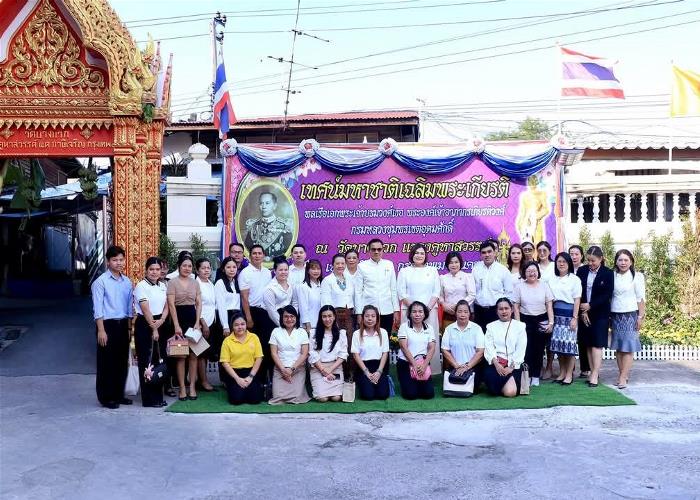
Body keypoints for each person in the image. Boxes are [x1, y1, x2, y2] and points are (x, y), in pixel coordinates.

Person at [91, 245, 133, 409]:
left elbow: (129, 308)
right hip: (106, 325)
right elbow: (98, 308)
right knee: (106, 362)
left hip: (122, 325)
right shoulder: (100, 282)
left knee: (121, 361)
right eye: (115, 260)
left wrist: (129, 329)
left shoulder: (127, 282)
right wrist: (101, 330)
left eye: (121, 259)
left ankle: (118, 394)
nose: (119, 263)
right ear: (108, 262)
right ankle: (106, 397)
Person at [397, 244, 441, 372]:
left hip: (429, 311)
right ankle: (410, 368)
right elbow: (401, 292)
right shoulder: (404, 271)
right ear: (412, 255)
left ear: (425, 256)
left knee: (429, 340)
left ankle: (430, 370)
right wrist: (415, 310)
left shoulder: (432, 270)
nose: (419, 256)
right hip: (409, 312)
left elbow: (436, 292)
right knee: (410, 340)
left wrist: (426, 310)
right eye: (416, 253)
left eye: (422, 253)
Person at [133, 257, 169, 407]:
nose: (154, 272)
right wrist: (154, 328)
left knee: (159, 360)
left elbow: (167, 305)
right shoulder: (141, 286)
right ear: (146, 270)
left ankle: (158, 396)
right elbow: (145, 309)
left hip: (160, 322)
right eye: (151, 269)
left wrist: (162, 320)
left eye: (157, 269)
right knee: (146, 361)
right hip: (146, 324)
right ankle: (148, 399)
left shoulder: (163, 285)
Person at [166, 254, 202, 401]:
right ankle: (182, 388)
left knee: (194, 355)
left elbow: (199, 303)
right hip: (178, 321)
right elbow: (171, 305)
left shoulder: (195, 282)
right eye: (184, 266)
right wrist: (176, 325)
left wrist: (197, 322)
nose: (187, 268)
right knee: (181, 356)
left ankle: (192, 387)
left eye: (189, 266)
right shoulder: (172, 282)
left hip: (193, 320)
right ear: (179, 267)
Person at [577, 246, 614, 388]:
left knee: (597, 344)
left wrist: (590, 305)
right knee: (588, 343)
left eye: (593, 260)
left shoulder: (608, 273)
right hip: (584, 312)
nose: (590, 263)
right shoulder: (582, 271)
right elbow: (578, 291)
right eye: (588, 260)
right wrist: (583, 310)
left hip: (600, 314)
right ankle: (592, 371)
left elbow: (607, 294)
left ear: (601, 259)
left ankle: (595, 374)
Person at [513, 262, 554, 387]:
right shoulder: (519, 287)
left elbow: (549, 305)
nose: (532, 273)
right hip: (525, 319)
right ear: (524, 273)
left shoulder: (544, 285)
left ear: (538, 272)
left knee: (539, 349)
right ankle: (528, 375)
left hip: (541, 319)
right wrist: (518, 325)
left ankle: (536, 376)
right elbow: (516, 307)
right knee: (527, 349)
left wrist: (551, 322)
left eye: (534, 270)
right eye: (529, 271)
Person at [610, 249, 646, 389]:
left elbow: (640, 298)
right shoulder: (612, 275)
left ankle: (623, 377)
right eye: (620, 260)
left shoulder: (637, 276)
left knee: (628, 347)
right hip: (615, 315)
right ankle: (622, 375)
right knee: (619, 347)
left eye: (626, 260)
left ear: (631, 262)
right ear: (616, 262)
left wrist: (640, 317)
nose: (623, 263)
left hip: (631, 315)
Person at [238, 244, 273, 381]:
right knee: (254, 348)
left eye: (260, 253)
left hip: (266, 312)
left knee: (266, 346)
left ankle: (266, 380)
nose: (257, 256)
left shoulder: (267, 272)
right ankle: (254, 379)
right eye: (254, 253)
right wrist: (248, 318)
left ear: (264, 256)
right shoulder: (245, 273)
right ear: (249, 256)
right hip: (252, 313)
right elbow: (244, 297)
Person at [548, 252, 582, 385]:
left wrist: (575, 317)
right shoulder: (552, 279)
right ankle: (562, 372)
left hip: (569, 315)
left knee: (569, 345)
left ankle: (569, 374)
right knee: (559, 345)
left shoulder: (574, 279)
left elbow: (577, 299)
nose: (561, 264)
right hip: (556, 315)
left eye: (564, 262)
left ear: (569, 264)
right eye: (559, 261)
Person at [354, 238, 400, 335]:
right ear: (369, 250)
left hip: (387, 309)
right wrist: (359, 313)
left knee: (385, 337)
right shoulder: (362, 266)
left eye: (379, 249)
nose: (376, 252)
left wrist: (396, 310)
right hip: (369, 311)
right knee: (368, 338)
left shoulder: (389, 264)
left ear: (383, 250)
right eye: (373, 249)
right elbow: (358, 291)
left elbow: (393, 289)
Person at [483, 298, 527, 397]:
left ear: (512, 310)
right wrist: (496, 364)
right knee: (495, 386)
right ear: (497, 311)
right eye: (501, 309)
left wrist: (511, 367)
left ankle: (506, 385)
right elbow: (489, 347)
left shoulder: (520, 326)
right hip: (495, 364)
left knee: (510, 392)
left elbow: (521, 349)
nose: (504, 311)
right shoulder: (490, 326)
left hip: (514, 365)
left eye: (506, 308)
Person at [268, 305, 311, 405]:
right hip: (280, 369)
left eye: (292, 316)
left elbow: (304, 354)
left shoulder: (302, 332)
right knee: (278, 397)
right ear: (282, 318)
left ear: (296, 317)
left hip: (297, 369)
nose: (289, 319)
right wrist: (283, 370)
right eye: (286, 316)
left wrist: (292, 369)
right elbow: (274, 353)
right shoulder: (276, 331)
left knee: (296, 397)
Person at [321, 253, 355, 376]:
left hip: (349, 315)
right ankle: (336, 373)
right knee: (337, 344)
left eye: (342, 263)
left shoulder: (349, 279)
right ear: (332, 265)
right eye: (337, 263)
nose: (340, 266)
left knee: (349, 344)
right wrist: (330, 319)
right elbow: (326, 302)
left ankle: (349, 374)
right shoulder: (327, 280)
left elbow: (354, 298)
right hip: (334, 316)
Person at [441, 300, 485, 393]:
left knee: (473, 389)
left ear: (469, 313)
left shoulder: (477, 329)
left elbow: (480, 351)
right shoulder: (449, 329)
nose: (462, 314)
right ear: (455, 313)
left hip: (472, 366)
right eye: (460, 311)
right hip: (455, 366)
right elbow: (445, 350)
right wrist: (456, 366)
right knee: (454, 388)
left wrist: (467, 367)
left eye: (465, 312)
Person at [219, 313, 263, 405]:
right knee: (236, 400)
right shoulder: (227, 341)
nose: (240, 327)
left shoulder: (254, 337)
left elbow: (259, 358)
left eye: (242, 324)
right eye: (236, 325)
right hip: (234, 373)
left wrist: (250, 377)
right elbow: (225, 362)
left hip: (251, 371)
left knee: (255, 400)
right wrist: (237, 379)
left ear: (246, 325)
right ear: (232, 326)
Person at [396, 301, 436, 400]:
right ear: (409, 314)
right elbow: (403, 347)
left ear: (425, 314)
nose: (417, 314)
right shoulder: (404, 327)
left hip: (423, 363)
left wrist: (424, 365)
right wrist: (414, 364)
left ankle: (418, 384)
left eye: (420, 311)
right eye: (414, 312)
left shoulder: (429, 328)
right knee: (411, 395)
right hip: (406, 363)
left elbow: (432, 348)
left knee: (428, 394)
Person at [308, 306, 348, 402]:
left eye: (330, 316)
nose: (327, 319)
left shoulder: (341, 333)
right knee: (322, 398)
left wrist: (330, 369)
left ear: (334, 317)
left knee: (336, 397)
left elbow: (343, 354)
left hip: (335, 367)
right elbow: (312, 354)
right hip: (318, 368)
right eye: (324, 316)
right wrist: (323, 370)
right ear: (320, 318)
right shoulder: (313, 333)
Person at [472, 240, 513, 331]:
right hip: (479, 311)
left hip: (496, 311)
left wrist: (505, 312)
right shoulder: (476, 269)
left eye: (489, 251)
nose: (487, 255)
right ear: (480, 255)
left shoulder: (503, 270)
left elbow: (509, 293)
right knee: (480, 338)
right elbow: (472, 291)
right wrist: (472, 311)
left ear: (495, 253)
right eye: (483, 252)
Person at [351, 305, 390, 400]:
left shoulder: (383, 332)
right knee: (368, 395)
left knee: (383, 395)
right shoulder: (357, 334)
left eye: (373, 316)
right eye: (367, 316)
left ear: (377, 318)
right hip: (363, 367)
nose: (370, 319)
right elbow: (356, 355)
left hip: (378, 366)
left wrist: (379, 371)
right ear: (362, 317)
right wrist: (366, 372)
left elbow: (385, 353)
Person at [244, 191, 293, 261]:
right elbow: (247, 250)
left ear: (274, 206)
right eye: (261, 203)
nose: (264, 206)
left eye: (267, 203)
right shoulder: (253, 226)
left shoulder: (284, 227)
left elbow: (288, 252)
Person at [439, 251, 476, 332]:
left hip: (464, 313)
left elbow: (472, 295)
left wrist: (458, 306)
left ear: (460, 263)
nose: (454, 265)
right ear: (447, 264)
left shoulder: (467, 276)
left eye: (456, 262)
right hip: (448, 313)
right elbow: (440, 295)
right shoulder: (443, 278)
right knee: (448, 336)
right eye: (451, 262)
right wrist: (444, 304)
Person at [195, 258, 217, 392]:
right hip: (201, 323)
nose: (206, 270)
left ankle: (202, 379)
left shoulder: (210, 283)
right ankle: (203, 381)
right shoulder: (196, 284)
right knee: (200, 353)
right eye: (203, 268)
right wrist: (202, 323)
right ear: (197, 270)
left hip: (212, 321)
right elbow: (196, 305)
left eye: (208, 268)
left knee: (206, 353)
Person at [569, 244, 590, 377]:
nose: (574, 256)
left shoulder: (586, 270)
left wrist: (584, 309)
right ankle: (569, 369)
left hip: (583, 308)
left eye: (576, 254)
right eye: (571, 254)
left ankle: (585, 368)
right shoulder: (566, 269)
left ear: (581, 256)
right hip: (568, 308)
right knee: (569, 338)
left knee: (583, 338)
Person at [516, 175, 550, 244]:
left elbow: (546, 209)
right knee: (526, 245)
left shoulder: (541, 194)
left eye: (534, 182)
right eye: (530, 182)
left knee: (537, 245)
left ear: (537, 182)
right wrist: (519, 224)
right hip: (525, 223)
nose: (532, 184)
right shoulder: (524, 196)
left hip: (536, 224)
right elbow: (522, 211)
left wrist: (535, 217)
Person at [263, 256, 294, 327]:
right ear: (274, 271)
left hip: (289, 319)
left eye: (286, 270)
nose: (283, 272)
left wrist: (292, 321)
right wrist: (283, 326)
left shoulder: (291, 284)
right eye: (280, 270)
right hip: (274, 321)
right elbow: (272, 312)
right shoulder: (270, 288)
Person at [294, 259, 322, 334]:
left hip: (322, 324)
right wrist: (307, 323)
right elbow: (303, 307)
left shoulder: (323, 285)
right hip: (309, 326)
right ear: (308, 271)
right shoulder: (303, 286)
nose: (316, 271)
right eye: (313, 269)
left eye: (318, 269)